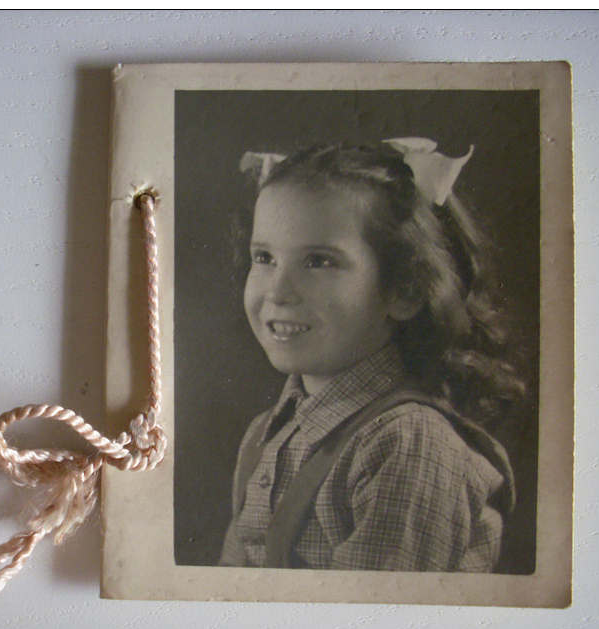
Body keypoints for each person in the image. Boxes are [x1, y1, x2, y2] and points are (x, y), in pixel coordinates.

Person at [218, 139, 526, 572]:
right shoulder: (267, 433)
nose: (277, 290)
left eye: (319, 261)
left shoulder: (408, 442)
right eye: (264, 257)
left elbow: (374, 628)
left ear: (403, 290)